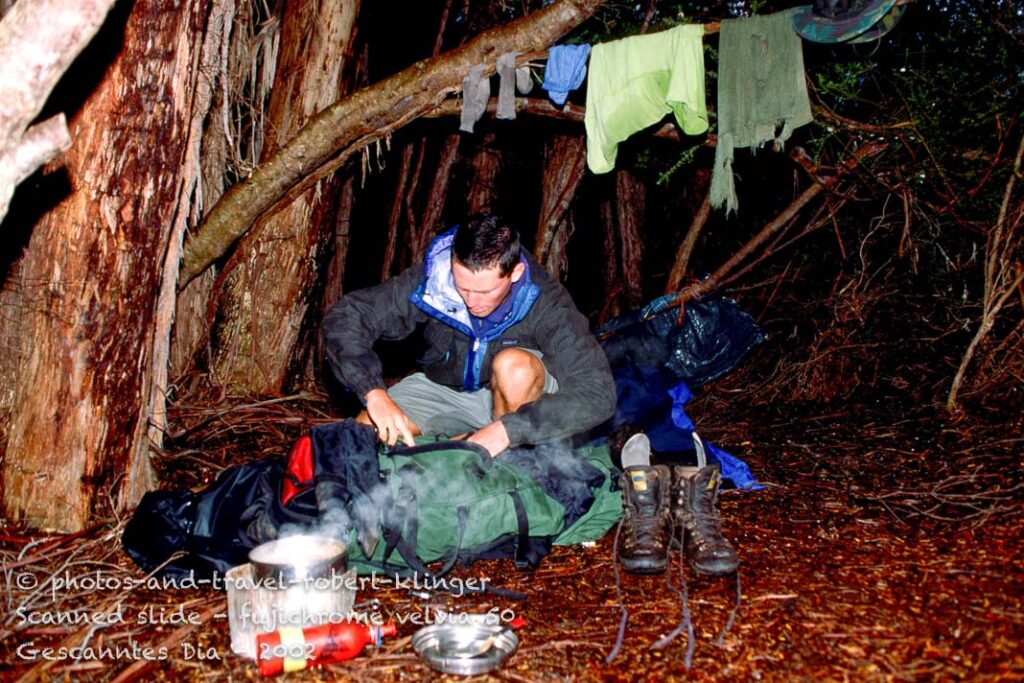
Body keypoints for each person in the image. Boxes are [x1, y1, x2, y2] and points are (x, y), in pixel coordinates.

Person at [322, 213, 616, 457]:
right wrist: (373, 392)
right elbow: (348, 316)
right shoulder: (435, 281)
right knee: (365, 430)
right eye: (463, 288)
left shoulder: (546, 302)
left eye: (486, 291)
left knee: (513, 367)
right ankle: (457, 447)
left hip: (520, 403)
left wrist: (509, 429)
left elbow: (598, 394)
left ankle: (509, 466)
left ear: (514, 273)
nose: (472, 301)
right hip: (446, 390)